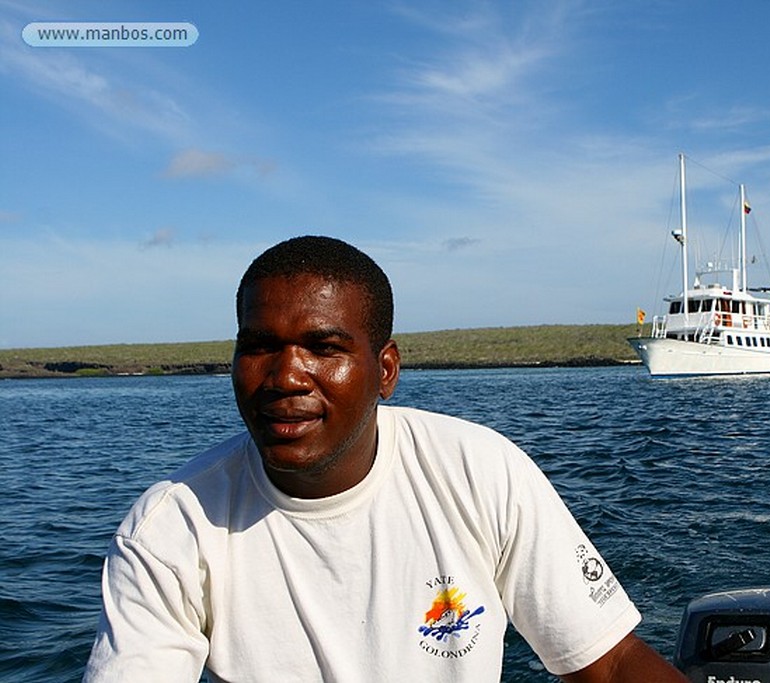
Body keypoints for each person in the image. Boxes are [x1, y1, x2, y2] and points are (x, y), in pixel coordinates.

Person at [84, 236, 687, 682]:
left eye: (324, 347)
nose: (285, 375)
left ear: (386, 371)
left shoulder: (480, 472)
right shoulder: (172, 526)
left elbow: (607, 665)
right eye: (260, 346)